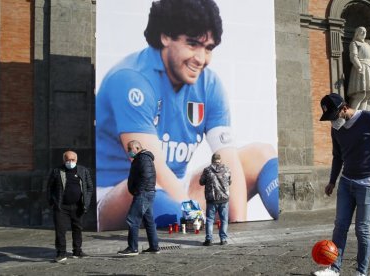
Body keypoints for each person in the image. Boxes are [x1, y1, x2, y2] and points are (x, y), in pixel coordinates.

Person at [96, 0, 279, 231]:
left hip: (177, 189)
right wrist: (191, 211)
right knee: (152, 185)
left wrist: (238, 223)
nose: (201, 59)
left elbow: (229, 160)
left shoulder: (209, 84)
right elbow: (154, 168)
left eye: (209, 48)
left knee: (261, 154)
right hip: (118, 195)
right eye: (192, 44)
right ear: (165, 37)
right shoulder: (131, 78)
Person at [314, 93, 370, 276]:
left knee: (362, 229)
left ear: (344, 108)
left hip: (368, 183)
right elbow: (337, 156)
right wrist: (332, 181)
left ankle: (361, 272)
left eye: (334, 116)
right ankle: (334, 268)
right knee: (340, 226)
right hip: (346, 182)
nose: (332, 122)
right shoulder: (336, 129)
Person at [46, 151, 94, 263]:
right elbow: (49, 188)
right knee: (60, 231)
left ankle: (77, 251)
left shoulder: (83, 170)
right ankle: (61, 253)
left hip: (78, 206)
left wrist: (86, 202)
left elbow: (89, 187)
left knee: (77, 229)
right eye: (68, 160)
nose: (70, 162)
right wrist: (52, 202)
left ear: (76, 160)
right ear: (64, 160)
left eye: (73, 160)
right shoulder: (57, 171)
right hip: (61, 207)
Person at [118, 140, 160, 256]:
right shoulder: (142, 158)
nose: (128, 152)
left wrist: (138, 191)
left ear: (137, 148)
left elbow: (146, 176)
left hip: (144, 193)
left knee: (132, 219)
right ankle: (154, 247)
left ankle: (132, 248)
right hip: (146, 192)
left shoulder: (143, 158)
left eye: (129, 149)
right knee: (148, 220)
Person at [347, 26, 370, 111]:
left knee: (367, 95)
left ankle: (361, 115)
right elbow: (353, 56)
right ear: (357, 33)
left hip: (369, 68)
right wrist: (359, 66)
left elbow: (369, 59)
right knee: (361, 94)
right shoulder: (354, 43)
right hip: (361, 68)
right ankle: (352, 115)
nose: (363, 33)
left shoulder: (368, 45)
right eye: (361, 31)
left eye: (365, 31)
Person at [200, 153, 231, 246]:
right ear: (220, 160)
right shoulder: (227, 169)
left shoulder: (207, 170)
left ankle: (209, 240)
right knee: (224, 220)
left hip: (211, 199)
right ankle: (223, 240)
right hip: (224, 199)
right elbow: (230, 182)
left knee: (210, 220)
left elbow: (201, 182)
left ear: (212, 160)